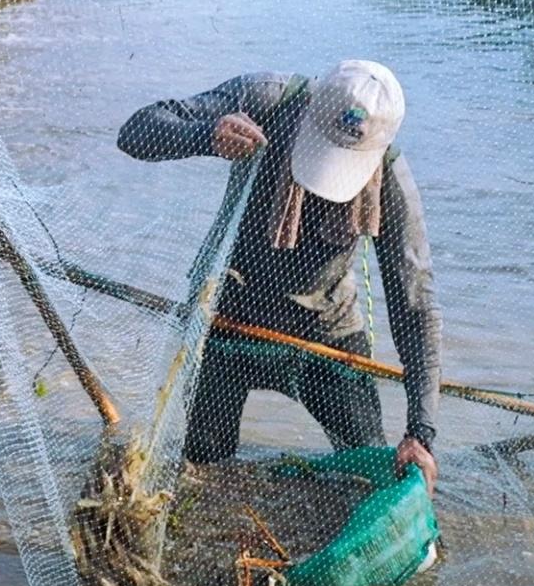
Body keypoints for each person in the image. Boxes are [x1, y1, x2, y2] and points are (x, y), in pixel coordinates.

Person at [117, 60, 441, 492]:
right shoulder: (265, 98)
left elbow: (414, 306)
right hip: (227, 321)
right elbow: (135, 132)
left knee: (367, 475)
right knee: (200, 472)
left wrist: (421, 432)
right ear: (309, 110)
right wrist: (206, 136)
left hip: (325, 336)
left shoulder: (391, 178)